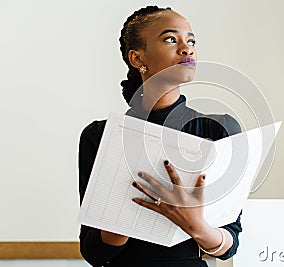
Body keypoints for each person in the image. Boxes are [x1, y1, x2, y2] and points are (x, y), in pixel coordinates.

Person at [78, 6, 242, 267]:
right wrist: (126, 213)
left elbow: (230, 244)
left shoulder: (218, 130)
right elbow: (94, 253)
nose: (186, 49)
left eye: (191, 41)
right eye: (170, 39)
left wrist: (197, 227)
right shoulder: (100, 135)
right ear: (136, 58)